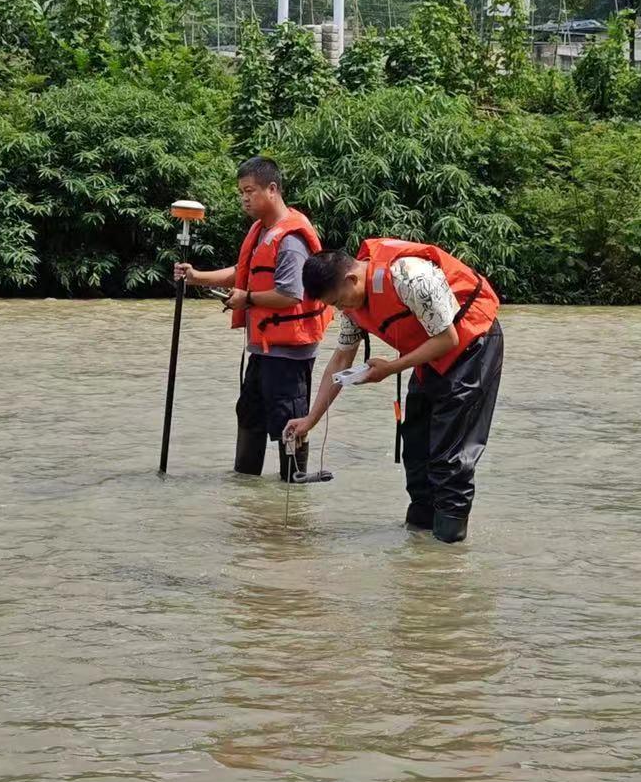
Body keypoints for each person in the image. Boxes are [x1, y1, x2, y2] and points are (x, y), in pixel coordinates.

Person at [286, 239, 503, 544]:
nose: (340, 309)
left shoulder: (411, 276)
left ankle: (447, 555)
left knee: (449, 458)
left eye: (338, 301)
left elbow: (448, 339)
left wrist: (392, 367)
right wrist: (311, 418)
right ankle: (418, 548)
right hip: (428, 354)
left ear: (351, 278)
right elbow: (341, 359)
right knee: (415, 449)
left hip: (472, 344)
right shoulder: (352, 304)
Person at [174, 157, 332, 481]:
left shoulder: (290, 240)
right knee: (249, 415)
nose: (244, 198)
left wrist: (248, 299)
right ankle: (245, 494)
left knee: (289, 423)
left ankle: (294, 486)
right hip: (263, 347)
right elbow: (242, 273)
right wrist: (197, 277)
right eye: (241, 192)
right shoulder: (262, 231)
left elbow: (290, 295)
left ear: (272, 189)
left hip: (289, 353)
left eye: (250, 191)